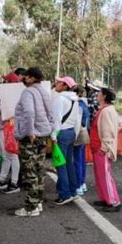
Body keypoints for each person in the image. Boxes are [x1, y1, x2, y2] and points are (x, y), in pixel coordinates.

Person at [13, 67, 52, 217]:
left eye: (25, 77)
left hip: (31, 136)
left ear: (30, 78)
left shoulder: (28, 92)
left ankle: (31, 206)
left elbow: (29, 112)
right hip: (43, 134)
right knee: (39, 169)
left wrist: (29, 132)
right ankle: (38, 201)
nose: (23, 79)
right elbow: (50, 112)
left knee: (29, 170)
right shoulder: (43, 91)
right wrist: (50, 128)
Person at [90, 88, 122, 212]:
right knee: (100, 175)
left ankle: (113, 201)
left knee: (105, 175)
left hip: (102, 149)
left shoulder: (106, 111)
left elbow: (109, 132)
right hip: (98, 148)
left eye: (99, 93)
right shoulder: (105, 109)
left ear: (104, 96)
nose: (97, 95)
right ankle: (105, 197)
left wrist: (104, 147)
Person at [51, 76, 81, 206]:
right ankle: (73, 191)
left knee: (60, 164)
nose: (56, 84)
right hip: (71, 132)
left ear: (65, 86)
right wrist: (75, 133)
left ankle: (65, 194)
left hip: (61, 133)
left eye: (59, 82)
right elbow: (77, 120)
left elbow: (56, 119)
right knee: (69, 163)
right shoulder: (75, 99)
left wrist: (53, 136)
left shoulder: (60, 98)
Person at [0, 72, 21, 194]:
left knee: (12, 155)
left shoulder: (13, 96)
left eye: (6, 81)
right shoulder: (8, 95)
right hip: (3, 128)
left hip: (9, 128)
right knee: (6, 156)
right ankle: (2, 180)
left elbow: (6, 110)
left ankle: (14, 182)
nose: (4, 83)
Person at [73, 85, 90, 196]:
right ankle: (82, 183)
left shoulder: (77, 104)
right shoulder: (84, 103)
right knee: (82, 160)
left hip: (78, 134)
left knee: (77, 161)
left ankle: (78, 185)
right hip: (84, 134)